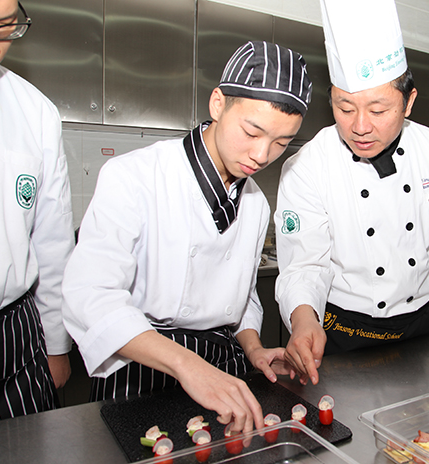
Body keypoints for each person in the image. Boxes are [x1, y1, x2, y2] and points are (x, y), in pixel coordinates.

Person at [62, 40, 312, 435]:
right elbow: (90, 296)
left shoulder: (255, 203)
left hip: (224, 366)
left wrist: (255, 349)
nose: (262, 155)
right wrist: (187, 366)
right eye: (252, 131)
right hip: (142, 369)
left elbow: (241, 297)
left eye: (281, 143)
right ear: (218, 104)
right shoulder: (136, 176)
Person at [274, 0, 429, 386]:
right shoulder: (307, 166)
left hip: (420, 329)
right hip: (339, 333)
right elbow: (306, 265)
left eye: (378, 110)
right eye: (344, 107)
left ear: (408, 102)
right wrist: (304, 318)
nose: (359, 127)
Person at [0, 0, 74, 424]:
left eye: (6, 28)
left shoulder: (34, 112)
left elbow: (52, 245)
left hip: (10, 341)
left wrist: (56, 347)